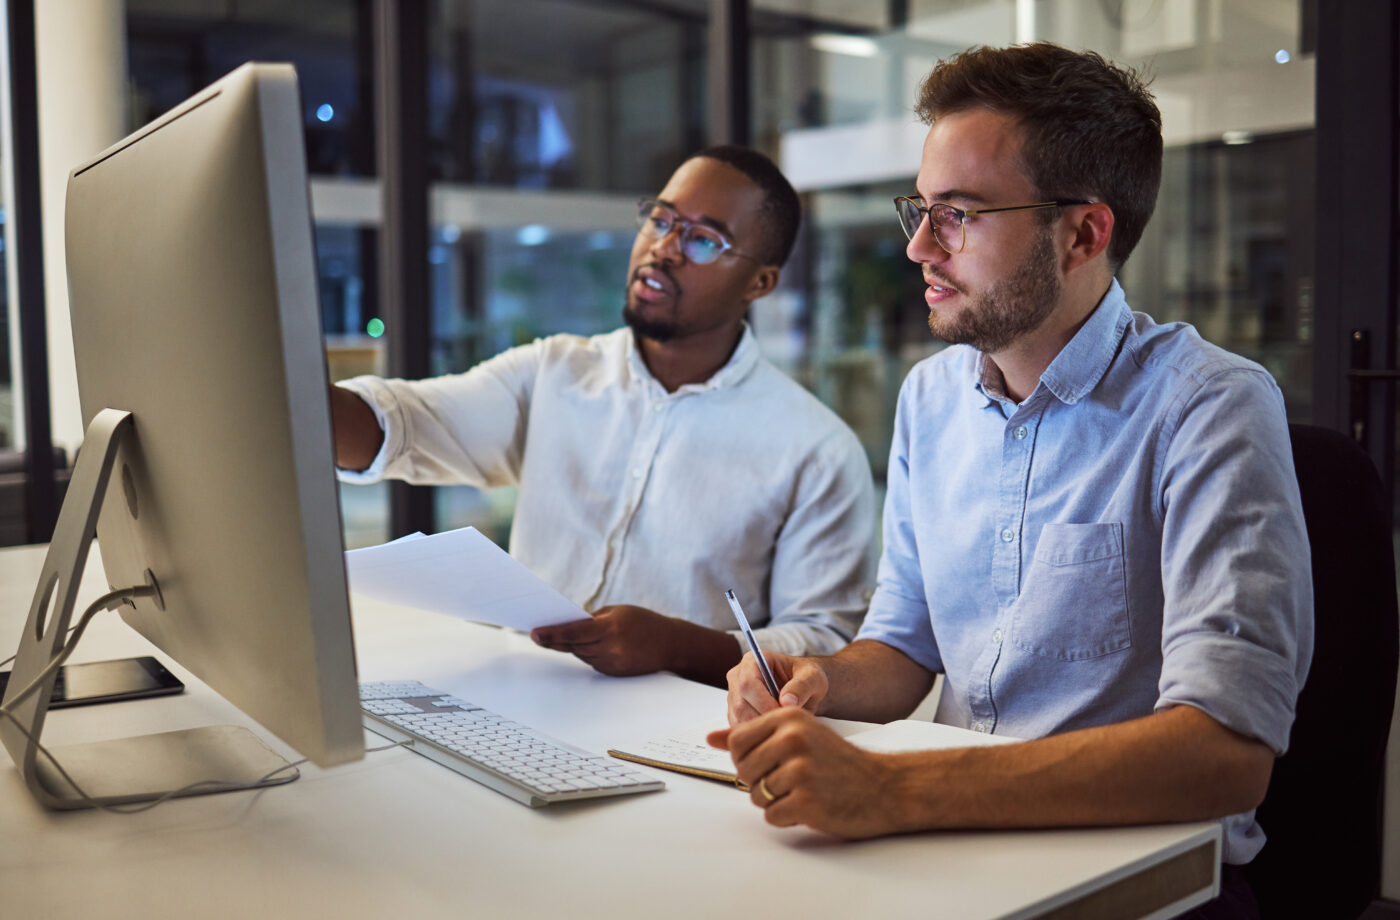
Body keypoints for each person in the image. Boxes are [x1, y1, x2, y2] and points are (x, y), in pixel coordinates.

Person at [710, 44, 1311, 918]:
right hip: (954, 850)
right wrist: (814, 679)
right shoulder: (930, 398)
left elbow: (1224, 754)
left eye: (958, 214)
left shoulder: (1209, 407)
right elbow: (904, 648)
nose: (918, 246)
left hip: (1139, 883)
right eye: (920, 208)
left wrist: (893, 792)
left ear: (1083, 233)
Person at [329, 145, 876, 688]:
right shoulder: (554, 372)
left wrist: (677, 646)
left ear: (760, 283)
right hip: (520, 692)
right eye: (661, 219)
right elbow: (400, 426)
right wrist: (288, 384)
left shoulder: (816, 447)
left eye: (704, 240)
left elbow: (824, 640)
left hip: (680, 729)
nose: (664, 249)